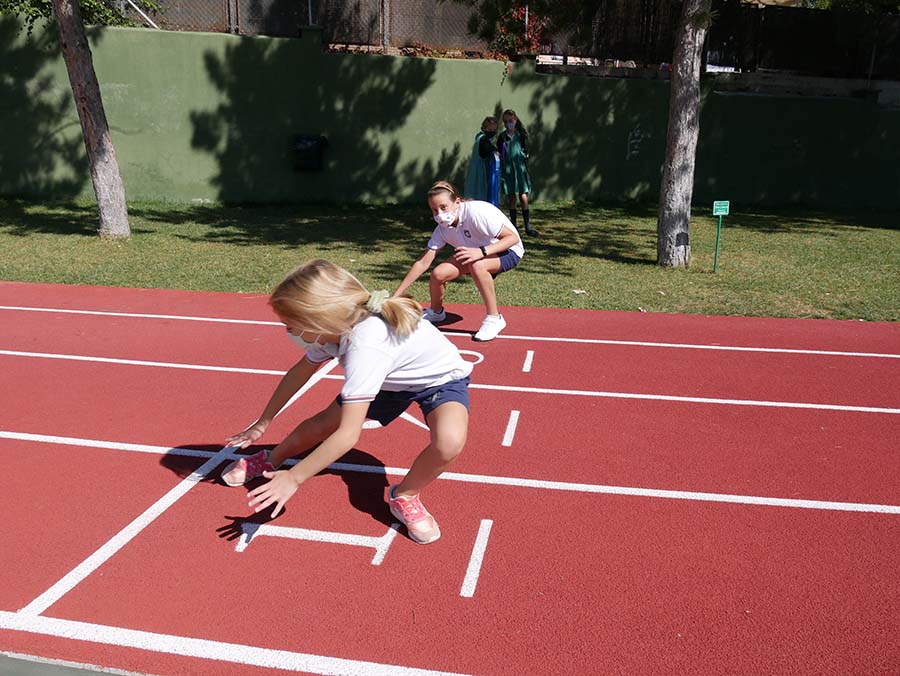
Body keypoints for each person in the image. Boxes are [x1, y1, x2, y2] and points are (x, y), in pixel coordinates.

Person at [221, 259, 473, 545]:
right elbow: (300, 371)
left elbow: (349, 434)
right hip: (389, 380)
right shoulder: (334, 328)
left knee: (449, 442)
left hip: (438, 380)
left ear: (319, 318)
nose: (288, 332)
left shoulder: (365, 345)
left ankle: (404, 495)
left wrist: (294, 478)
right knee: (321, 425)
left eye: (290, 325)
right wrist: (262, 422)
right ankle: (271, 458)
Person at [393, 180, 523, 342]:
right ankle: (436, 312)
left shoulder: (477, 213)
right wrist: (395, 296)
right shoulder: (442, 229)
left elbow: (512, 238)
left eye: (443, 207)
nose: (439, 214)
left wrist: (481, 252)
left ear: (457, 202)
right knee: (438, 274)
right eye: (434, 210)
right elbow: (422, 263)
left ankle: (494, 318)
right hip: (473, 253)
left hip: (508, 250)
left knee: (477, 264)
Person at [497, 109, 538, 237]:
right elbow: (500, 153)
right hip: (508, 170)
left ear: (515, 120)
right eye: (506, 122)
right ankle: (513, 228)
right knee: (511, 197)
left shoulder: (521, 135)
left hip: (520, 169)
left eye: (510, 121)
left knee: (523, 195)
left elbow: (526, 151)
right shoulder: (502, 137)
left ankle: (527, 227)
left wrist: (525, 156)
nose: (508, 123)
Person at [463, 116, 500, 206]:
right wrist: (496, 150)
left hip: (475, 167)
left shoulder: (478, 136)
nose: (491, 132)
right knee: (478, 191)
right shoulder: (483, 139)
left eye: (493, 130)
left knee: (472, 191)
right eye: (489, 129)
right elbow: (489, 148)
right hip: (479, 170)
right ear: (483, 127)